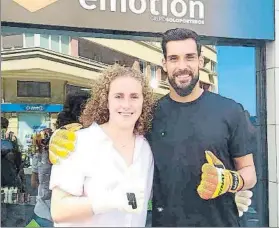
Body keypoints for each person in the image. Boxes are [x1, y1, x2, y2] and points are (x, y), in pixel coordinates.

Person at [48, 29, 256, 226]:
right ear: (164, 64)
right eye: (174, 58)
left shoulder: (230, 110)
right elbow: (113, 132)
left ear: (201, 61)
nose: (182, 65)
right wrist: (59, 137)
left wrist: (231, 181)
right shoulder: (150, 115)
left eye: (189, 57)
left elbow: (249, 172)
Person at [49, 65, 155, 227]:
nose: (126, 104)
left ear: (144, 101)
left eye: (134, 97)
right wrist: (111, 200)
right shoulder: (77, 142)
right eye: (118, 96)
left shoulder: (145, 149)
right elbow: (58, 211)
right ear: (106, 100)